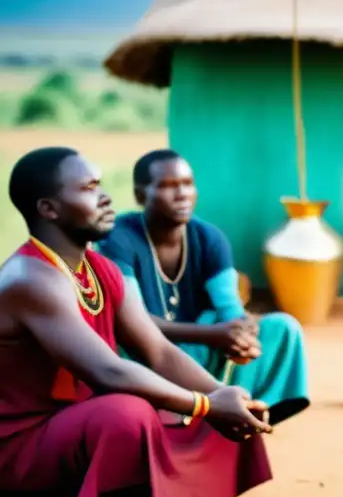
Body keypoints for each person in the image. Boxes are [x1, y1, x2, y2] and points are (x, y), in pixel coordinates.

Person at [0, 147, 272, 497]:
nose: (106, 197)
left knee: (195, 412)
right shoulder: (31, 278)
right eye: (90, 188)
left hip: (80, 425)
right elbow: (106, 369)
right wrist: (206, 405)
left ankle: (144, 493)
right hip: (23, 448)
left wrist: (222, 396)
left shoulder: (100, 269)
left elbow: (158, 351)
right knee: (129, 414)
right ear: (49, 209)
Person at [97, 150, 310, 426]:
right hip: (144, 350)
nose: (182, 194)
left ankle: (251, 412)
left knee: (283, 328)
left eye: (187, 183)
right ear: (140, 195)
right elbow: (132, 322)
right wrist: (212, 334)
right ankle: (188, 413)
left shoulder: (209, 237)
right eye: (167, 186)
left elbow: (230, 308)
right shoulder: (118, 238)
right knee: (119, 344)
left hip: (201, 347)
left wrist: (241, 336)